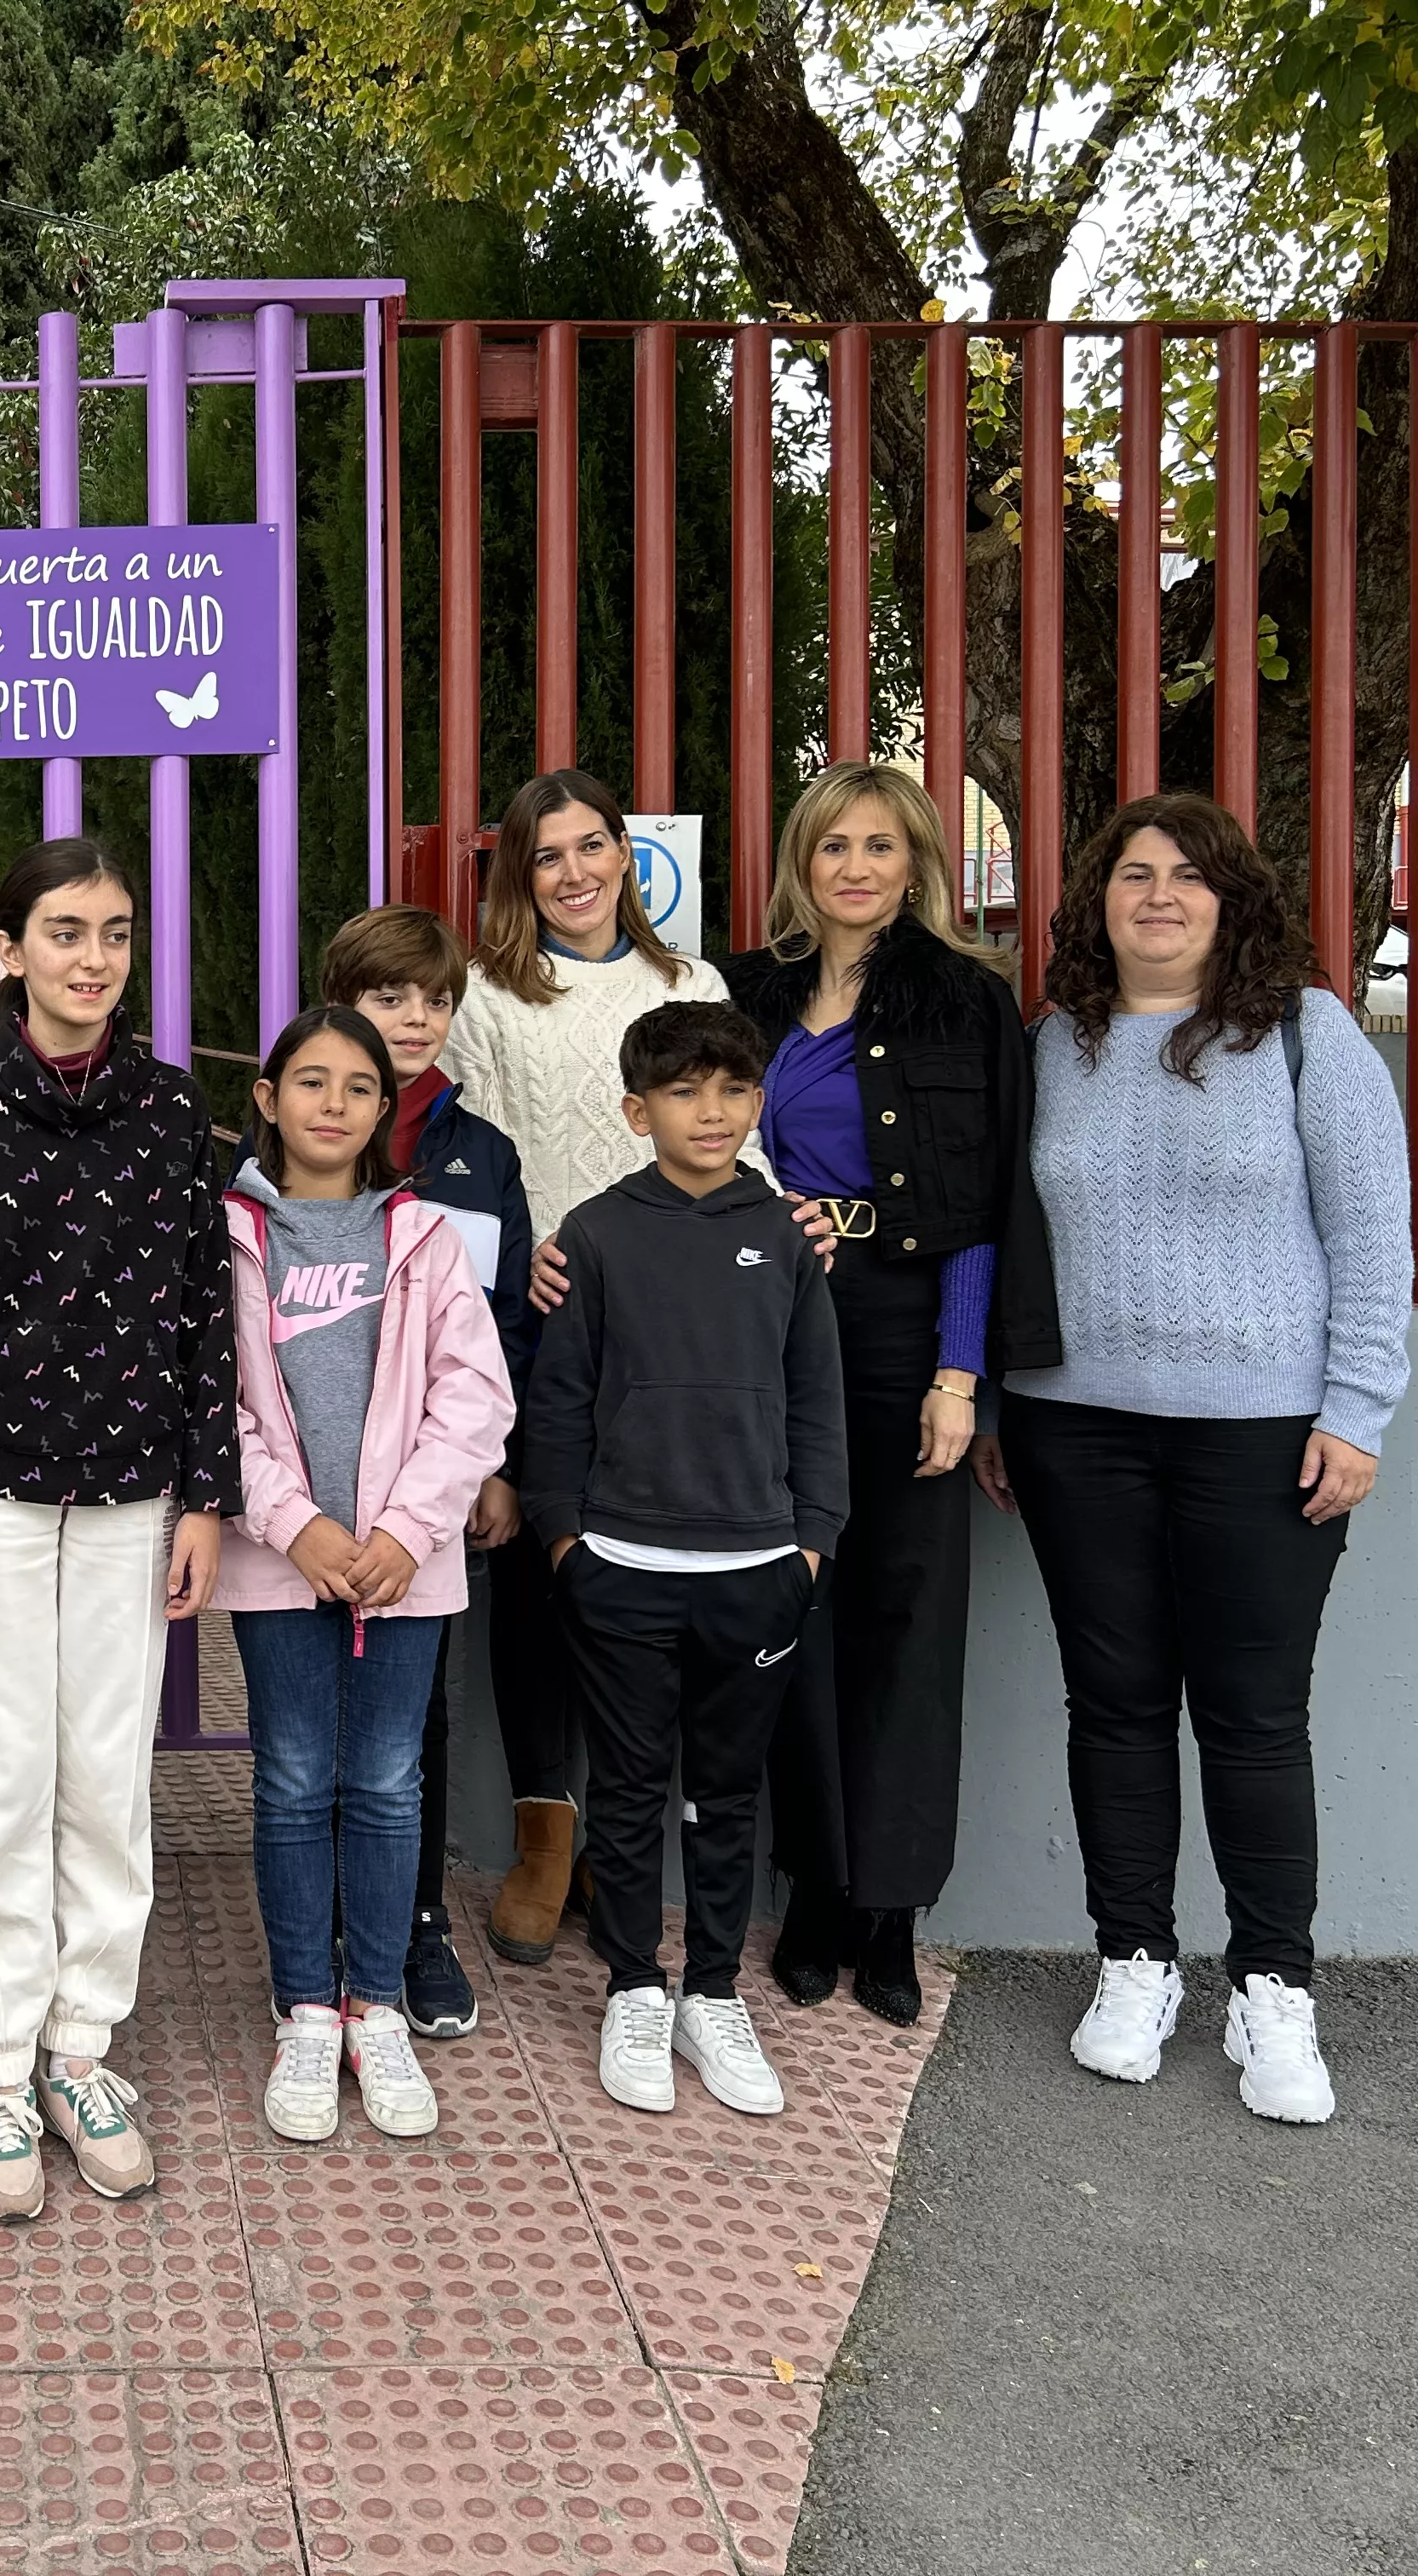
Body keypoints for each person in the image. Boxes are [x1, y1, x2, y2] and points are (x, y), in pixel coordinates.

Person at [978, 792, 1409, 2127]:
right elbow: (1005, 1240)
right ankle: (1134, 1960)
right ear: (1096, 902)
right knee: (1112, 1702)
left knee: (1252, 1716)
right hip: (1073, 1425)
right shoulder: (1052, 1046)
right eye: (1132, 875)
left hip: (1261, 1433)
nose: (1158, 896)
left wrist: (1356, 1411)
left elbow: (1373, 1238)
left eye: (1187, 876)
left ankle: (1275, 1990)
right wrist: (998, 1406)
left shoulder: (1304, 1037)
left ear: (1233, 900)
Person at [0, 837, 237, 2223]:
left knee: (104, 1772)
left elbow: (206, 1316)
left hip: (130, 1493)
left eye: (114, 930)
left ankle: (79, 2046)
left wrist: (205, 1492)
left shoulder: (167, 1112)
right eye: (65, 929)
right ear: (15, 950)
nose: (92, 955)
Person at [720, 762, 1027, 2027]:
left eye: (881, 846)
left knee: (906, 1618)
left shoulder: (965, 1002)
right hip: (772, 1333)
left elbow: (981, 1208)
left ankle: (894, 1910)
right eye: (833, 843)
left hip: (906, 1337)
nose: (856, 867)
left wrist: (960, 1377)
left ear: (919, 866)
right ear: (802, 858)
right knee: (795, 1609)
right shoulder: (742, 993)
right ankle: (822, 1894)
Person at [438, 768, 751, 1974]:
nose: (573, 873)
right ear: (519, 876)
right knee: (536, 1582)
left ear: (628, 857)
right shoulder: (488, 999)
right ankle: (542, 1835)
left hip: (672, 1325)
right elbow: (472, 1164)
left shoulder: (692, 985)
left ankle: (628, 1835)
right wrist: (521, 1274)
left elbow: (740, 1145)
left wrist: (783, 1232)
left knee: (644, 1576)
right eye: (547, 855)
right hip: (548, 1324)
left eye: (592, 847)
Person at [523, 1000, 846, 2124]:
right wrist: (567, 1539)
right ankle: (633, 1986)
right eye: (683, 1092)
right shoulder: (598, 1235)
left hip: (759, 1568)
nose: (711, 1112)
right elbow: (558, 1403)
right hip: (620, 1566)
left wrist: (812, 1542)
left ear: (757, 1101)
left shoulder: (790, 1236)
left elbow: (817, 1400)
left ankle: (713, 1989)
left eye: (732, 1090)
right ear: (636, 1108)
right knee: (624, 1787)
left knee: (722, 1794)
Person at [220, 1005, 514, 2144]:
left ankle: (377, 2004)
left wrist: (404, 1530)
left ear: (384, 1108)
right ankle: (306, 2007)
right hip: (281, 1559)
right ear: (269, 1097)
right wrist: (293, 1525)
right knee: (294, 1776)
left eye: (358, 1086)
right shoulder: (228, 1234)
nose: (334, 1105)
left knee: (389, 1780)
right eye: (311, 1082)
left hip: (404, 1567)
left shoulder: (423, 1236)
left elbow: (474, 1394)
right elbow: (218, 1405)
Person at [319, 906, 537, 2041]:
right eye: (389, 994)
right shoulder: (302, 1139)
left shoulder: (479, 1153)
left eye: (433, 998)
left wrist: (494, 1471)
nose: (413, 1017)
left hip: (430, 1493)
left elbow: (498, 1330)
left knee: (415, 1719)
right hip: (312, 1496)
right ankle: (323, 1932)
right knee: (312, 1731)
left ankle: (414, 1925)